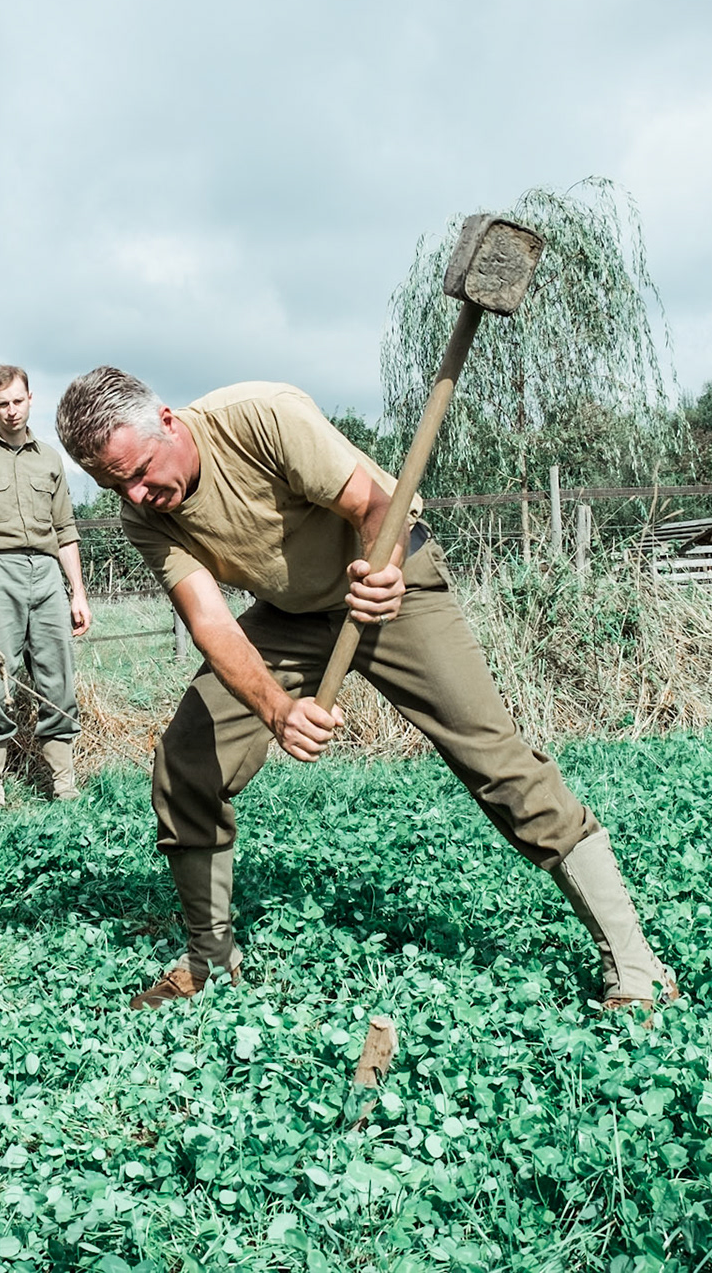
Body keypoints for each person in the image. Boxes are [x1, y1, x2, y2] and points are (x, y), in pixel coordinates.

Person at [53, 369, 678, 1013]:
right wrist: (277, 709)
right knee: (187, 758)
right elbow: (209, 620)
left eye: (141, 470)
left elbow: (375, 505)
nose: (136, 493)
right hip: (289, 617)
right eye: (114, 484)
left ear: (168, 421)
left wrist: (389, 568)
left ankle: (635, 964)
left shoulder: (260, 416)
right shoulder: (142, 515)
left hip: (385, 586)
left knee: (495, 761)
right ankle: (211, 962)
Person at [0, 365, 93, 807]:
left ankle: (63, 782)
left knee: (58, 680)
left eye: (18, 401)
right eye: (2, 404)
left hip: (46, 576)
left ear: (31, 399)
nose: (11, 411)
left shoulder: (49, 458)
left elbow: (65, 529)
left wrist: (77, 592)